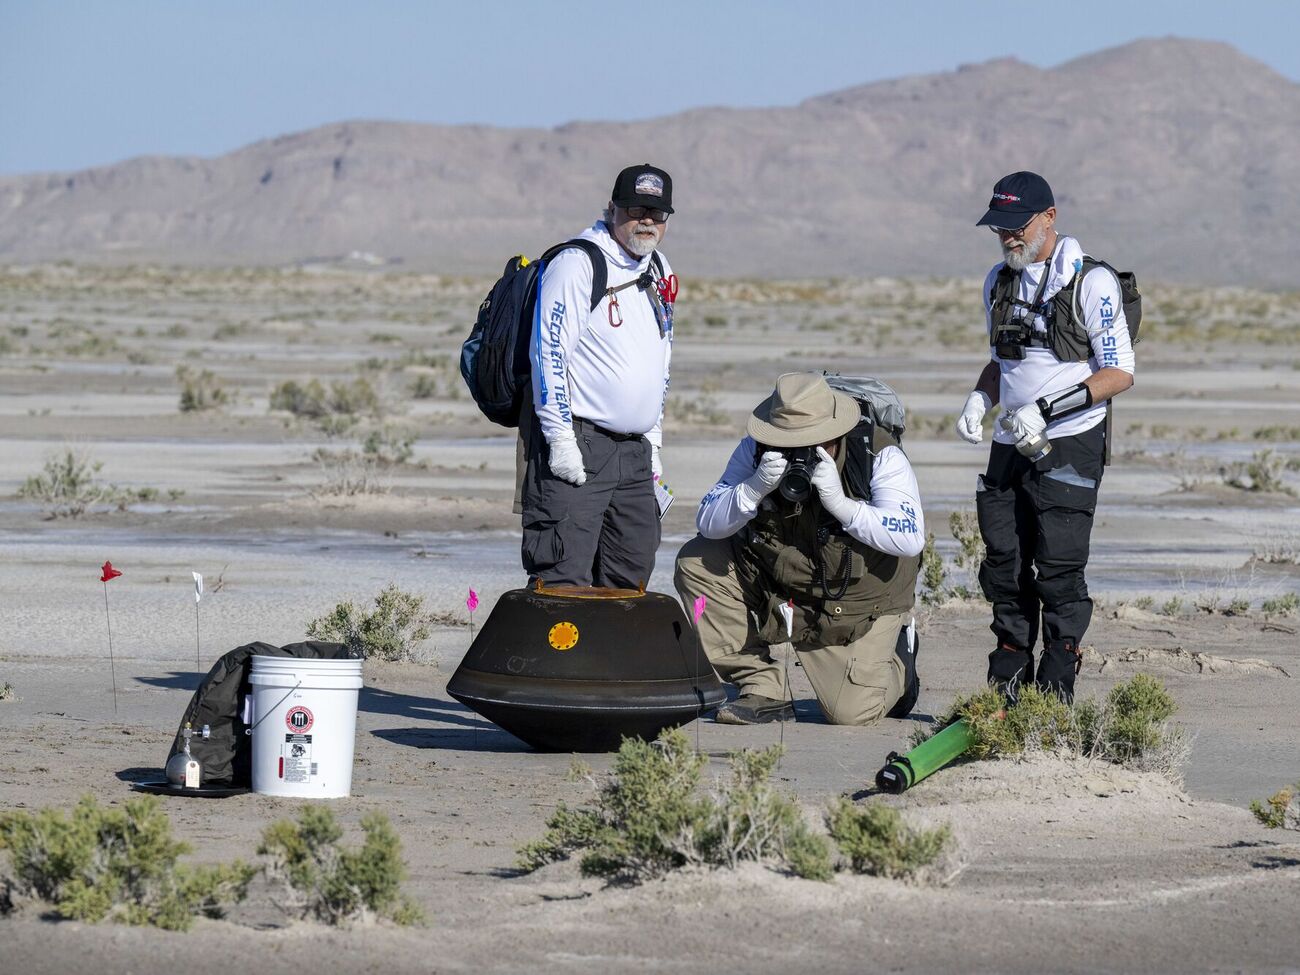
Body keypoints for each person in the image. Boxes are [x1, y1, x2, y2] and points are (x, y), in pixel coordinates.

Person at [956, 171, 1135, 701]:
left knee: (1058, 568)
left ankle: (1055, 693)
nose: (1007, 236)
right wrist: (980, 399)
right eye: (999, 227)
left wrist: (1047, 409)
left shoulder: (1092, 283)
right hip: (1010, 442)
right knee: (1004, 566)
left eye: (1017, 225)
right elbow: (1001, 362)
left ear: (1049, 217)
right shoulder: (998, 281)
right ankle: (1006, 689)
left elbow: (1119, 372)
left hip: (1071, 443)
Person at [675, 373, 925, 725]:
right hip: (783, 579)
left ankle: (901, 658)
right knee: (697, 561)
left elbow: (911, 536)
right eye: (785, 442)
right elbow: (709, 522)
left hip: (856, 601)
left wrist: (844, 506)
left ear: (837, 432)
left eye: (811, 442)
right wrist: (752, 489)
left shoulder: (878, 454)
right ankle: (762, 685)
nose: (798, 453)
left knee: (851, 713)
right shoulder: (756, 449)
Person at [521, 163, 677, 588]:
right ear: (612, 209)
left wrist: (653, 442)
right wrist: (560, 442)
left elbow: (660, 358)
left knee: (630, 574)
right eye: (635, 209)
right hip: (581, 442)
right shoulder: (578, 264)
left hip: (635, 453)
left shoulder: (658, 268)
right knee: (563, 576)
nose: (646, 221)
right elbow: (548, 354)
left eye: (657, 213)